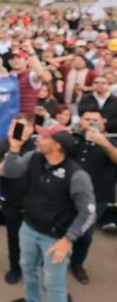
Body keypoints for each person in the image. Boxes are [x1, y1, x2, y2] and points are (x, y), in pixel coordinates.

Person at [0, 124, 96, 302]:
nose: (38, 139)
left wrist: (68, 240)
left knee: (54, 283)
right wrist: (14, 148)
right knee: (28, 270)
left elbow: (88, 213)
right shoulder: (33, 157)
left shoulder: (77, 176)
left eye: (43, 137)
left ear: (56, 145)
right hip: (28, 228)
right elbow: (10, 173)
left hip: (56, 239)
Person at [67, 109, 117, 284]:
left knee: (85, 234)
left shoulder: (112, 141)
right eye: (87, 119)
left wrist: (104, 143)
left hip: (96, 197)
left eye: (96, 120)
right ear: (80, 121)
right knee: (61, 228)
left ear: (103, 123)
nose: (91, 123)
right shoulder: (73, 139)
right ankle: (57, 257)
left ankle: (77, 263)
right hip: (67, 195)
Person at [0, 113, 36, 285]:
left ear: (31, 129)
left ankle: (34, 268)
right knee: (14, 238)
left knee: (36, 239)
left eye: (22, 127)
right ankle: (15, 268)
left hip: (36, 203)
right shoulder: (2, 146)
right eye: (14, 126)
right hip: (12, 202)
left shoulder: (39, 147)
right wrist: (13, 149)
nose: (17, 130)